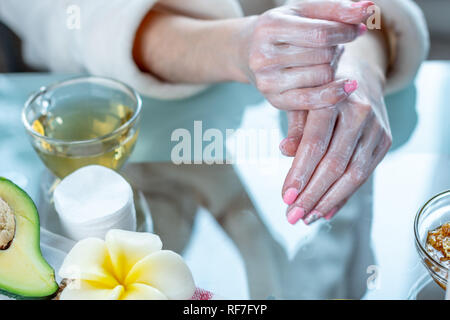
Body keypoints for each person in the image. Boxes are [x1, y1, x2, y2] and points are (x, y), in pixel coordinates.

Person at [0, 0, 429, 225]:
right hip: (118, 108)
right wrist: (235, 46)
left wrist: (353, 57)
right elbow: (64, 13)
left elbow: (369, 9)